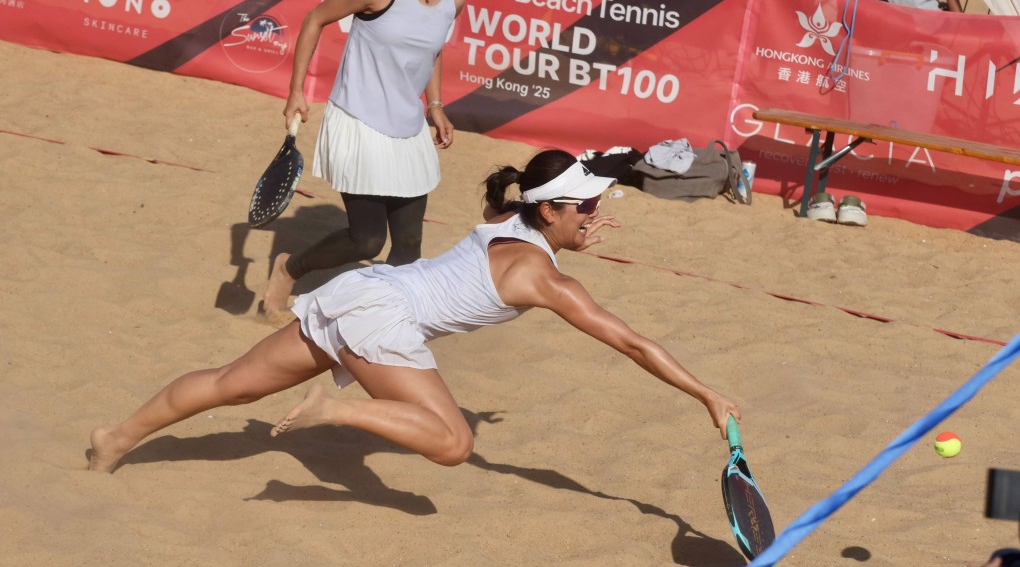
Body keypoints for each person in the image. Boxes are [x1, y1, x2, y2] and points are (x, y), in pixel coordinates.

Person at [88, 149, 740, 474]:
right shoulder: (545, 280)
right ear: (549, 210)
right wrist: (706, 393)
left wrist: (567, 237)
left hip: (361, 292)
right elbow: (631, 344)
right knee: (455, 444)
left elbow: (520, 230)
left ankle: (114, 438)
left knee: (228, 384)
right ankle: (333, 410)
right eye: (585, 209)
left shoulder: (504, 222)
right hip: (382, 322)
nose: (594, 216)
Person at [262, 0, 485, 316]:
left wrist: (435, 104)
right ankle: (288, 269)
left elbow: (432, 50)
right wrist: (297, 91)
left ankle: (384, 320)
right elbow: (314, 19)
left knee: (409, 246)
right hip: (360, 120)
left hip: (408, 127)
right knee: (366, 242)